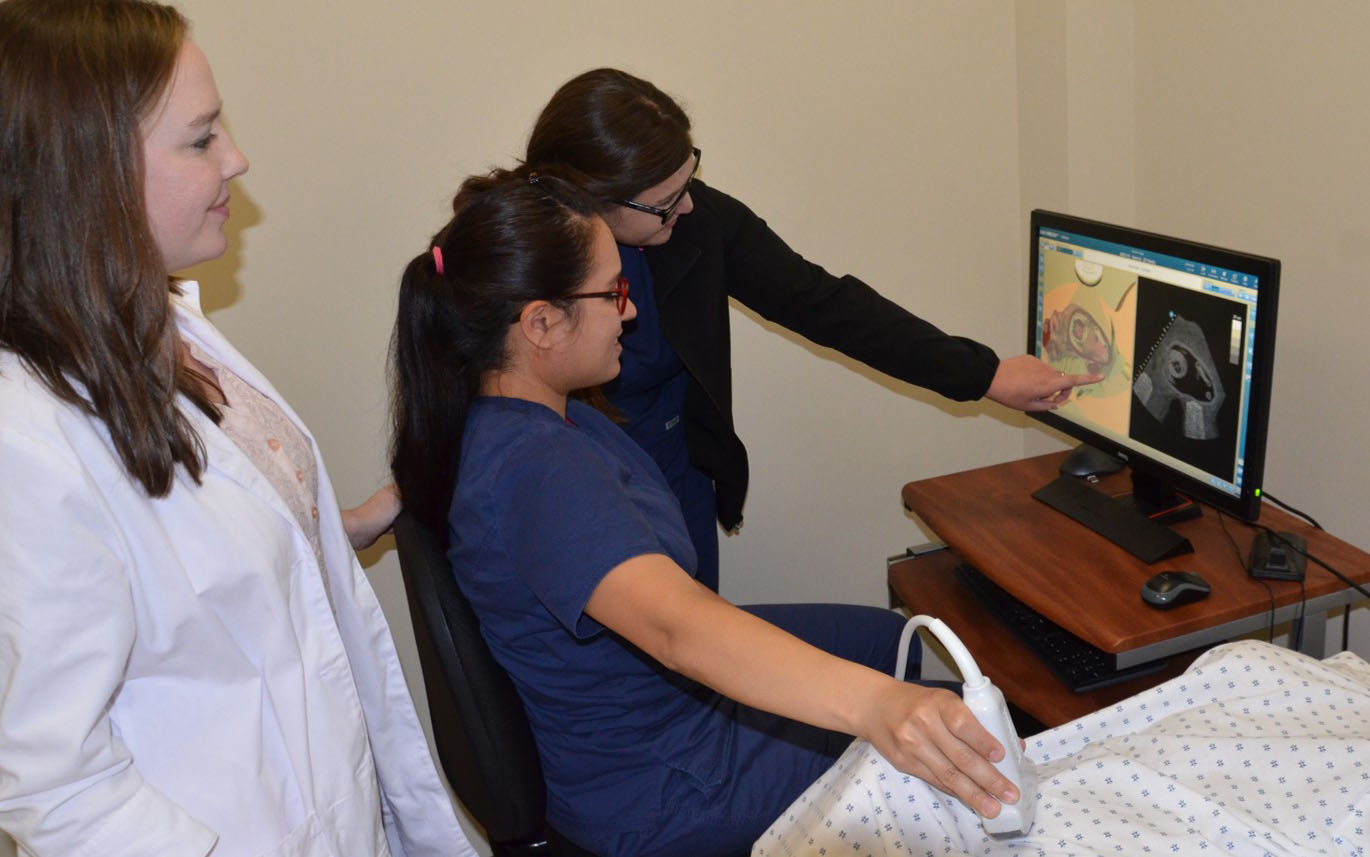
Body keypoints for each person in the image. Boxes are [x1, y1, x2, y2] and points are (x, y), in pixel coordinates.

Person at [389, 167, 1023, 857]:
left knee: (884, 641)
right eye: (613, 292)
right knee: (939, 746)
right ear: (539, 323)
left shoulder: (511, 414)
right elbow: (674, 627)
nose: (630, 311)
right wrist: (876, 708)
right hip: (660, 786)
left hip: (641, 716)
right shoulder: (538, 471)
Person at [0, 2, 472, 855]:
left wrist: (324, 523)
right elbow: (57, 785)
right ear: (87, 172)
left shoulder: (161, 324)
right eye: (200, 138)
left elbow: (194, 563)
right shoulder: (26, 442)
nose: (238, 158)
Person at [523, 68, 1102, 590]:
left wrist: (985, 373)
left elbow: (823, 303)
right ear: (591, 202)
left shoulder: (694, 218)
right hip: (584, 482)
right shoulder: (515, 268)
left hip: (681, 470)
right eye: (665, 201)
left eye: (688, 182)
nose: (689, 208)